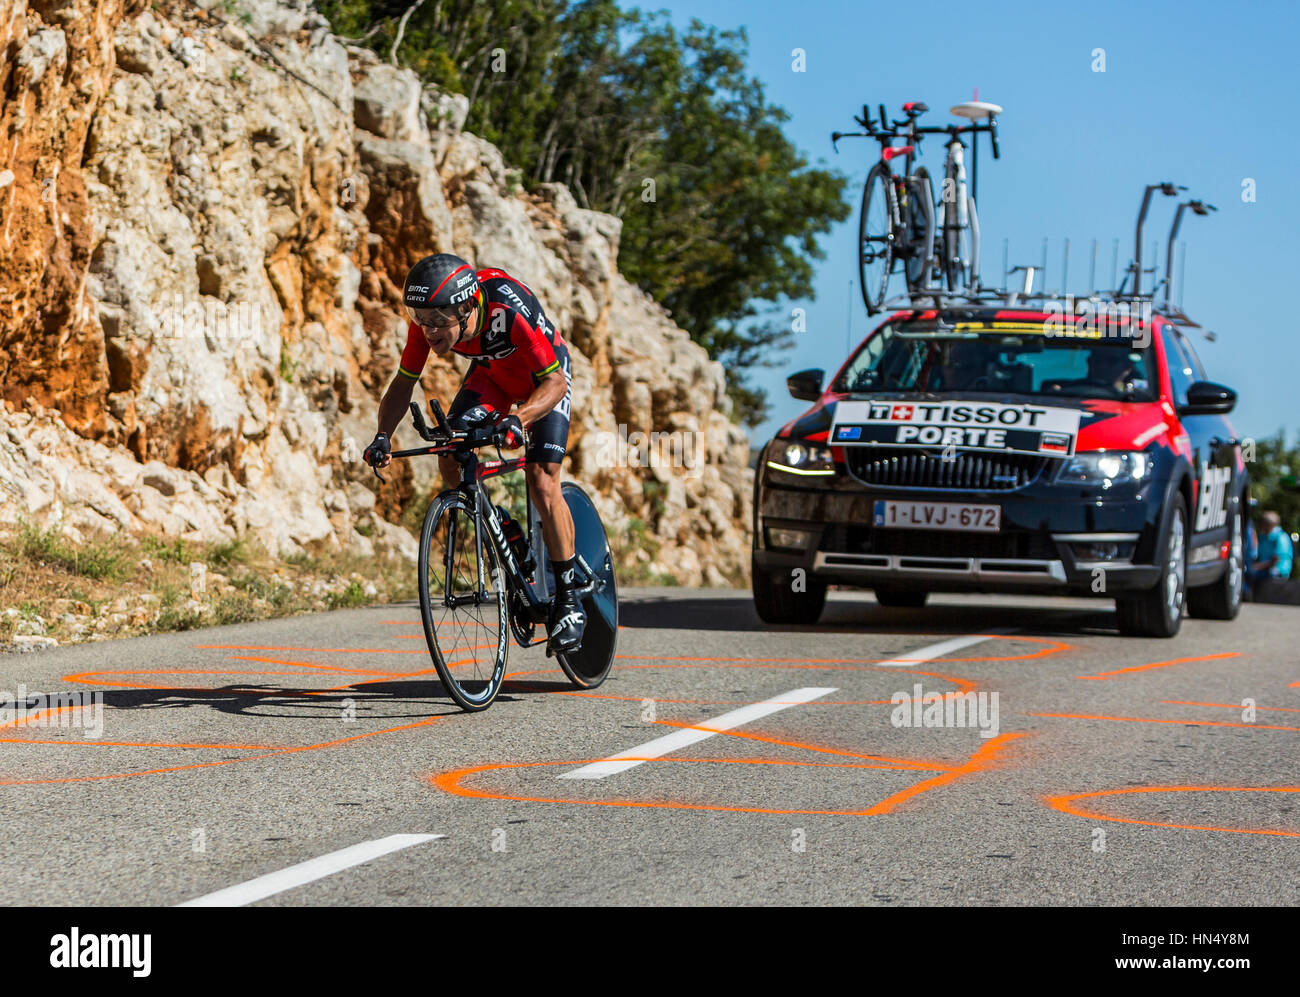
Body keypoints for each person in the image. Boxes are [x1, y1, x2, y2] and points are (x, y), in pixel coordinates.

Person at [362, 253, 585, 652]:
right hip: (492, 378)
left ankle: (568, 599)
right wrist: (383, 435)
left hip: (543, 379)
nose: (428, 331)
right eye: (420, 319)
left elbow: (553, 383)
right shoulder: (429, 320)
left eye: (437, 322)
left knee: (541, 476)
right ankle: (502, 526)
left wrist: (520, 417)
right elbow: (403, 382)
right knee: (450, 449)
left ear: (467, 308)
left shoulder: (507, 306)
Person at [1249, 510, 1294, 588]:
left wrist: (1256, 567)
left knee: (1253, 574)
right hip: (1264, 568)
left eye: (1264, 524)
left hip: (1278, 570)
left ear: (1269, 525)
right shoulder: (1263, 537)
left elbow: (1275, 560)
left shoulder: (1281, 537)